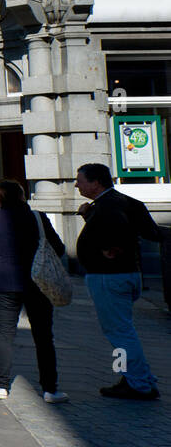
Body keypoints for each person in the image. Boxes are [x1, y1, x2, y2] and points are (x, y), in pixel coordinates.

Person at [0, 179, 68, 403]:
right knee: (44, 337)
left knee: (5, 334)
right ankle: (50, 389)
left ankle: (1, 385)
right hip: (38, 283)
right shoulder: (38, 217)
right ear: (21, 195)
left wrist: (1, 264)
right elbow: (58, 247)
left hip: (6, 282)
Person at [76, 163, 161, 400]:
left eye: (80, 180)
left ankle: (136, 383)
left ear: (96, 182)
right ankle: (136, 377)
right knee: (123, 330)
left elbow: (117, 227)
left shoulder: (108, 206)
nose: (77, 185)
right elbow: (151, 232)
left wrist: (113, 248)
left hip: (108, 276)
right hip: (127, 274)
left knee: (118, 333)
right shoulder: (126, 202)